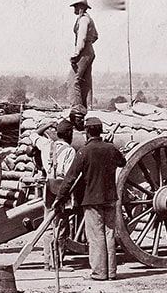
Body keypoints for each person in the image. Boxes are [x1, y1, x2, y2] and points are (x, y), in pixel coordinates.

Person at [54, 116, 126, 281]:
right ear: (100, 131)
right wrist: (112, 146)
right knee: (109, 234)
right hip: (109, 198)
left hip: (92, 199)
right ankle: (111, 272)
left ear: (86, 132)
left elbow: (70, 178)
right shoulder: (110, 148)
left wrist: (60, 198)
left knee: (95, 236)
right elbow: (123, 162)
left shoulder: (83, 152)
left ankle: (99, 273)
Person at [32, 118, 76, 270]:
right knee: (62, 226)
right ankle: (58, 263)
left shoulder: (46, 145)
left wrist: (47, 125)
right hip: (61, 190)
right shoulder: (70, 151)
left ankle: (47, 262)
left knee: (49, 226)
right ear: (69, 134)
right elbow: (70, 176)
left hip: (48, 189)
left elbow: (33, 135)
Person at [69, 0, 98, 110]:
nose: (74, 9)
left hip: (84, 51)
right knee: (86, 81)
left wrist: (76, 54)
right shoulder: (88, 19)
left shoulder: (83, 20)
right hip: (89, 50)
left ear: (81, 7)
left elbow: (81, 37)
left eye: (76, 7)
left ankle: (76, 110)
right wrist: (89, 43)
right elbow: (95, 36)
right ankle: (88, 108)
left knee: (73, 81)